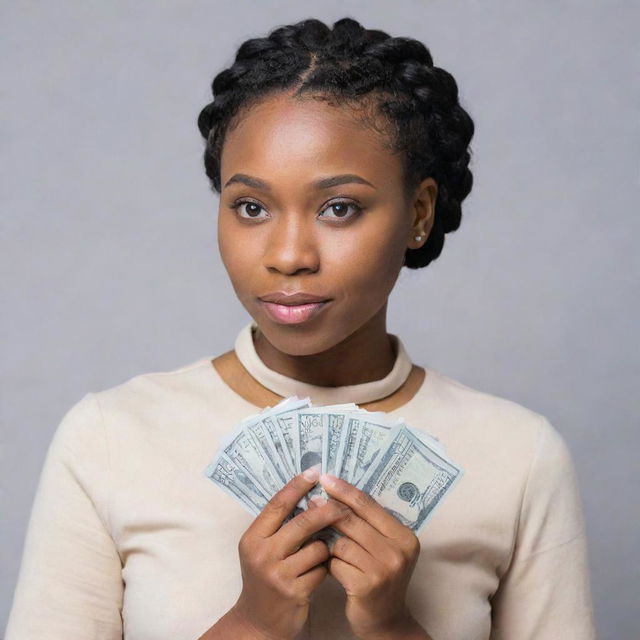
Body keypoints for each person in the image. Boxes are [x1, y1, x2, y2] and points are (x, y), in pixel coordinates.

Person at [4, 16, 596, 640]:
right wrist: (251, 624)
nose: (288, 255)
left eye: (339, 208)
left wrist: (394, 627)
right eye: (251, 207)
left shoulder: (521, 458)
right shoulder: (107, 440)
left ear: (418, 214)